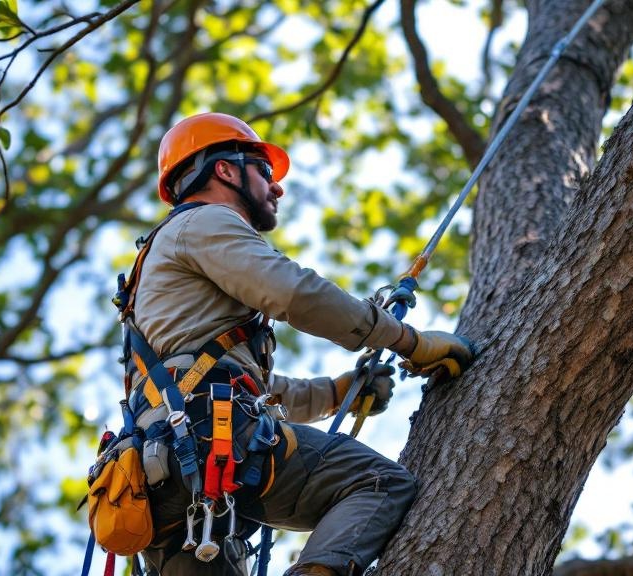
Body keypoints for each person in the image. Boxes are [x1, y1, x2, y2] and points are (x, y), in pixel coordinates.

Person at [121, 112, 475, 576]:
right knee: (378, 483)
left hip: (161, 485)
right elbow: (294, 293)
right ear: (225, 170)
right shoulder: (203, 222)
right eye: (264, 171)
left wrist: (336, 392)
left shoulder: (162, 273)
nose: (277, 187)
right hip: (210, 448)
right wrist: (409, 341)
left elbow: (241, 386)